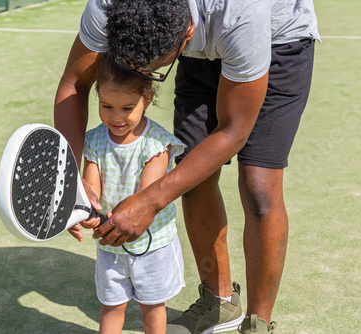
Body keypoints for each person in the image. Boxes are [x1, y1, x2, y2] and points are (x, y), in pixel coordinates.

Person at [54, 0, 321, 333]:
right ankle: (219, 303)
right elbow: (76, 84)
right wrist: (70, 183)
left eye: (151, 72)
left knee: (258, 185)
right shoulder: (109, 6)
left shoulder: (241, 12)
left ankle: (258, 320)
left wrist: (151, 200)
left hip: (275, 40)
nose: (139, 79)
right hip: (198, 48)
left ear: (187, 32)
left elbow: (234, 130)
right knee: (193, 175)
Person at [78, 55, 186, 334]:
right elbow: (92, 191)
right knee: (112, 306)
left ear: (147, 99)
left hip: (153, 245)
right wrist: (91, 214)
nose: (116, 117)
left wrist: (107, 220)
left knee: (152, 306)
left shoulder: (157, 143)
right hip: (111, 244)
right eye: (106, 106)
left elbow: (145, 199)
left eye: (127, 107)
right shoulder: (93, 140)